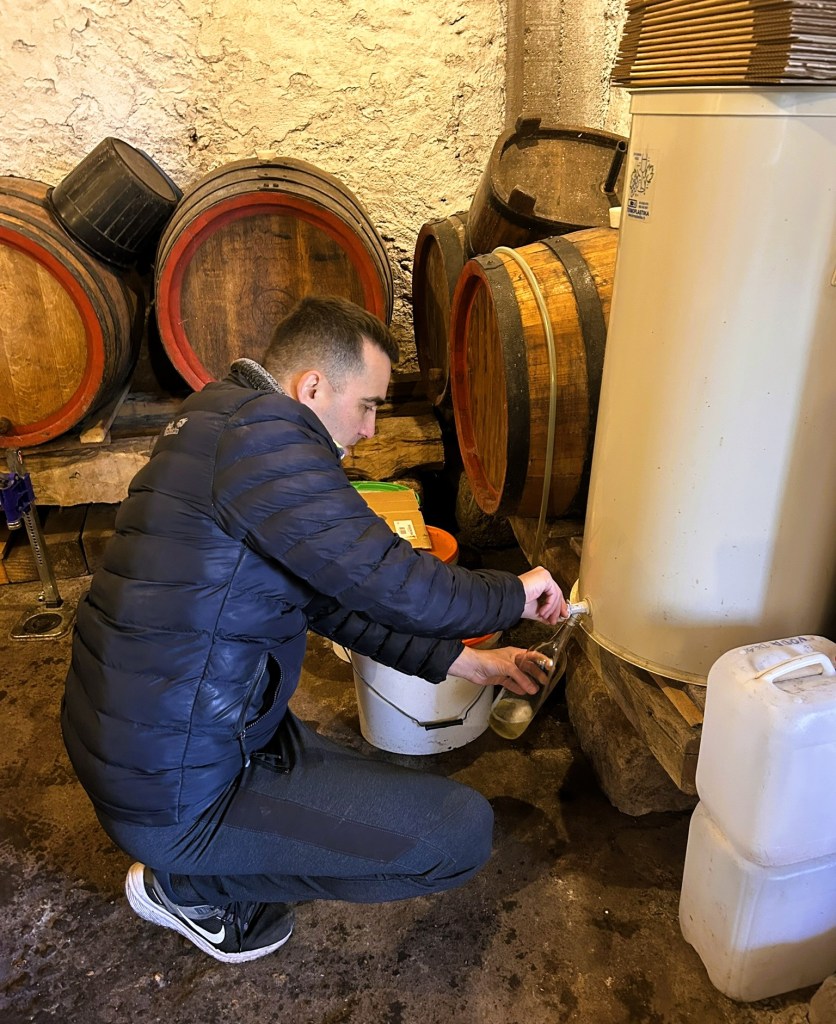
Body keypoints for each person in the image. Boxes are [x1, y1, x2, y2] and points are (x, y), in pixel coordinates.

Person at [61, 295, 570, 965]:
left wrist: (469, 663)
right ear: (312, 387)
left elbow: (329, 601)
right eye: (369, 405)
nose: (368, 430)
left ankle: (199, 863)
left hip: (163, 749)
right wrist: (515, 595)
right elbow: (399, 584)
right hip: (179, 791)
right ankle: (192, 887)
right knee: (458, 834)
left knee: (368, 792)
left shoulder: (217, 418)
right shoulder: (266, 438)